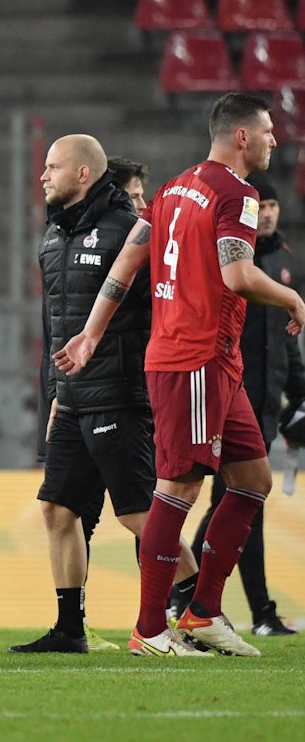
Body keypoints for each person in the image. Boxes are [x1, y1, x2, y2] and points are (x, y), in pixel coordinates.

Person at [56, 92, 305, 658]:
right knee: (179, 488)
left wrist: (92, 331)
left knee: (252, 481)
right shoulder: (236, 193)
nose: (274, 139)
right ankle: (149, 629)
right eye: (267, 131)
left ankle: (202, 612)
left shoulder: (173, 188)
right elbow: (239, 274)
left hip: (215, 362)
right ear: (241, 136)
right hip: (193, 357)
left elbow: (127, 260)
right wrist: (292, 296)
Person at [10, 137, 198, 655]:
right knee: (58, 509)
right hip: (71, 398)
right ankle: (71, 628)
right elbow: (56, 326)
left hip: (119, 393)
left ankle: (200, 611)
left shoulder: (129, 230)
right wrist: (54, 393)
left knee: (139, 515)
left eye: (53, 167)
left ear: (85, 172)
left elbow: (166, 308)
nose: (43, 176)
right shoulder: (53, 234)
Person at [185, 172, 302, 637]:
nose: (268, 211)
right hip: (230, 392)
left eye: (274, 204)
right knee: (227, 498)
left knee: (237, 499)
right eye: (262, 204)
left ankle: (206, 601)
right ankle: (211, 602)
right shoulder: (237, 260)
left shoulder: (286, 261)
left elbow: (286, 343)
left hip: (265, 401)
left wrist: (299, 391)